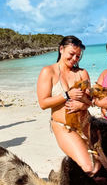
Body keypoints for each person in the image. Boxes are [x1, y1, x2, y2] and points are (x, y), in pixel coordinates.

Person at [37, 35, 100, 176]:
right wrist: (66, 95)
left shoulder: (82, 73)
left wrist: (82, 106)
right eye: (71, 54)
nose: (74, 59)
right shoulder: (48, 72)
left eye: (78, 56)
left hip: (85, 124)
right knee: (90, 167)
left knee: (100, 164)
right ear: (61, 49)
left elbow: (90, 101)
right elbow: (43, 103)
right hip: (64, 127)